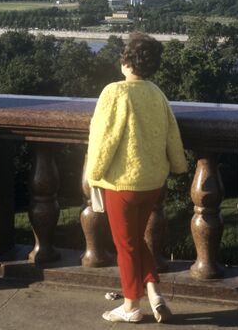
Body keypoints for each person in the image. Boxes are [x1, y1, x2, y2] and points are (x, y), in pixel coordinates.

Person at [85, 33, 188, 323]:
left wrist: (93, 173)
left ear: (126, 61)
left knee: (126, 246)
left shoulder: (115, 92)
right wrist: (178, 165)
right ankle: (155, 294)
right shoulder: (157, 93)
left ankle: (131, 306)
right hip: (152, 182)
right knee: (135, 240)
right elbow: (172, 133)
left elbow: (104, 139)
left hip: (122, 183)